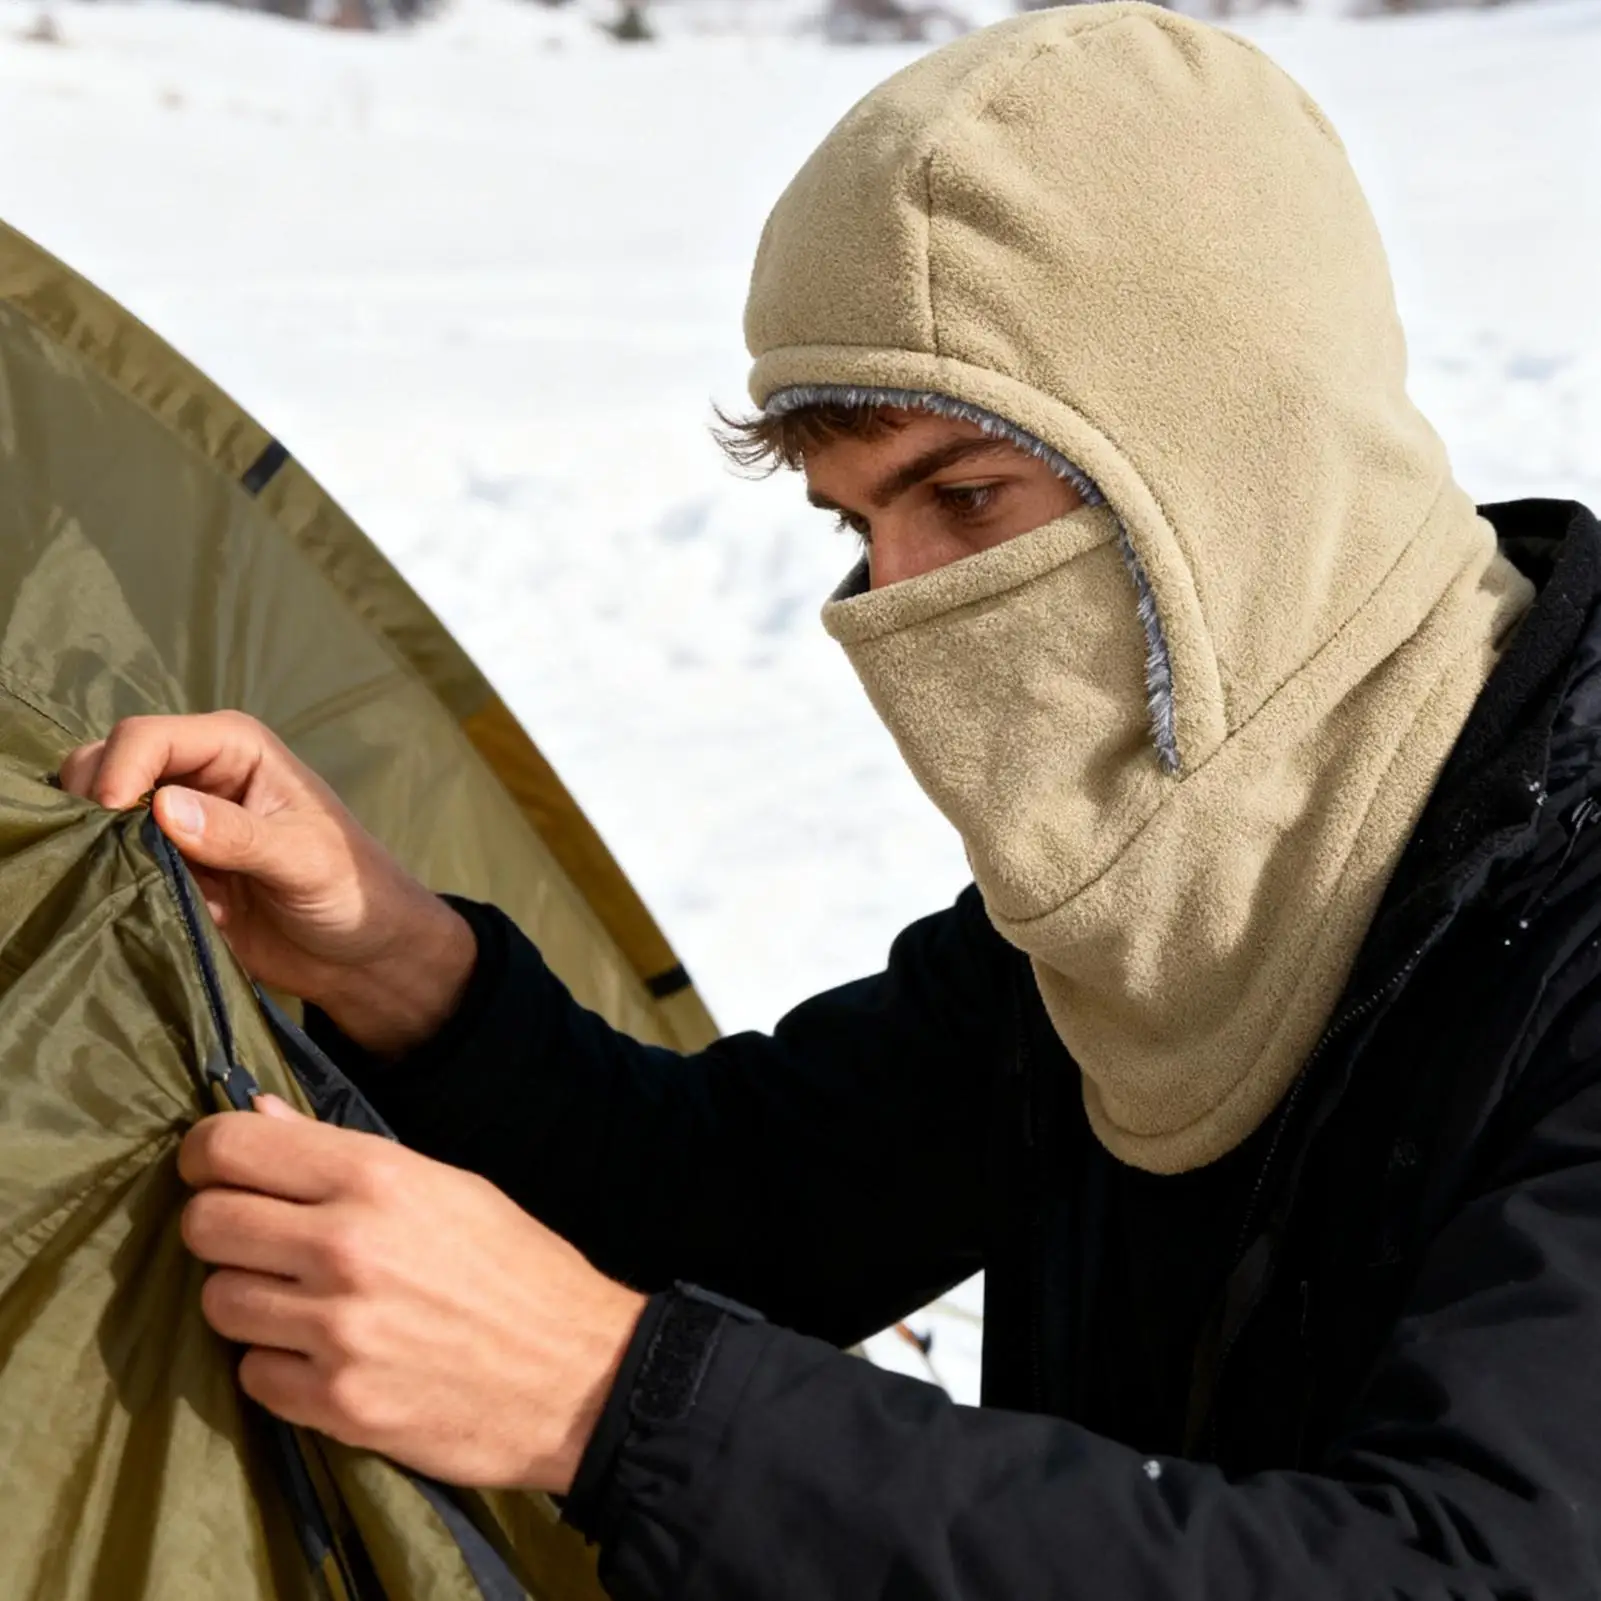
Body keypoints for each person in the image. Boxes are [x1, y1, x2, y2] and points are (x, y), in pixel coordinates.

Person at [57, 5, 1601, 1596]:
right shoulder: (1164, 870)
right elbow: (761, 1202)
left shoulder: (1561, 921)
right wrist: (400, 968)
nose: (897, 599)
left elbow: (1465, 1567)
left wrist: (608, 1400)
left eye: (968, 495)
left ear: (1228, 461)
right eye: (857, 525)